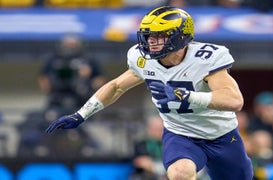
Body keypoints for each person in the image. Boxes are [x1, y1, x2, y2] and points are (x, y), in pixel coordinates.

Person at [46, 6, 253, 180]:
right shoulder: (142, 59)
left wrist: (188, 96)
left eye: (159, 36)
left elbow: (234, 100)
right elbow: (117, 86)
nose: (151, 41)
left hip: (222, 135)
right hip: (181, 134)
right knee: (180, 173)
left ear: (180, 37)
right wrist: (81, 114)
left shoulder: (205, 59)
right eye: (149, 35)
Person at [38, 34, 106, 120]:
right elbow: (43, 76)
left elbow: (99, 78)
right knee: (51, 119)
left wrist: (88, 80)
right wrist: (48, 89)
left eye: (73, 45)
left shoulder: (88, 59)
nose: (70, 48)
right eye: (68, 45)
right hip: (57, 97)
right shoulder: (54, 59)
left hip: (81, 97)